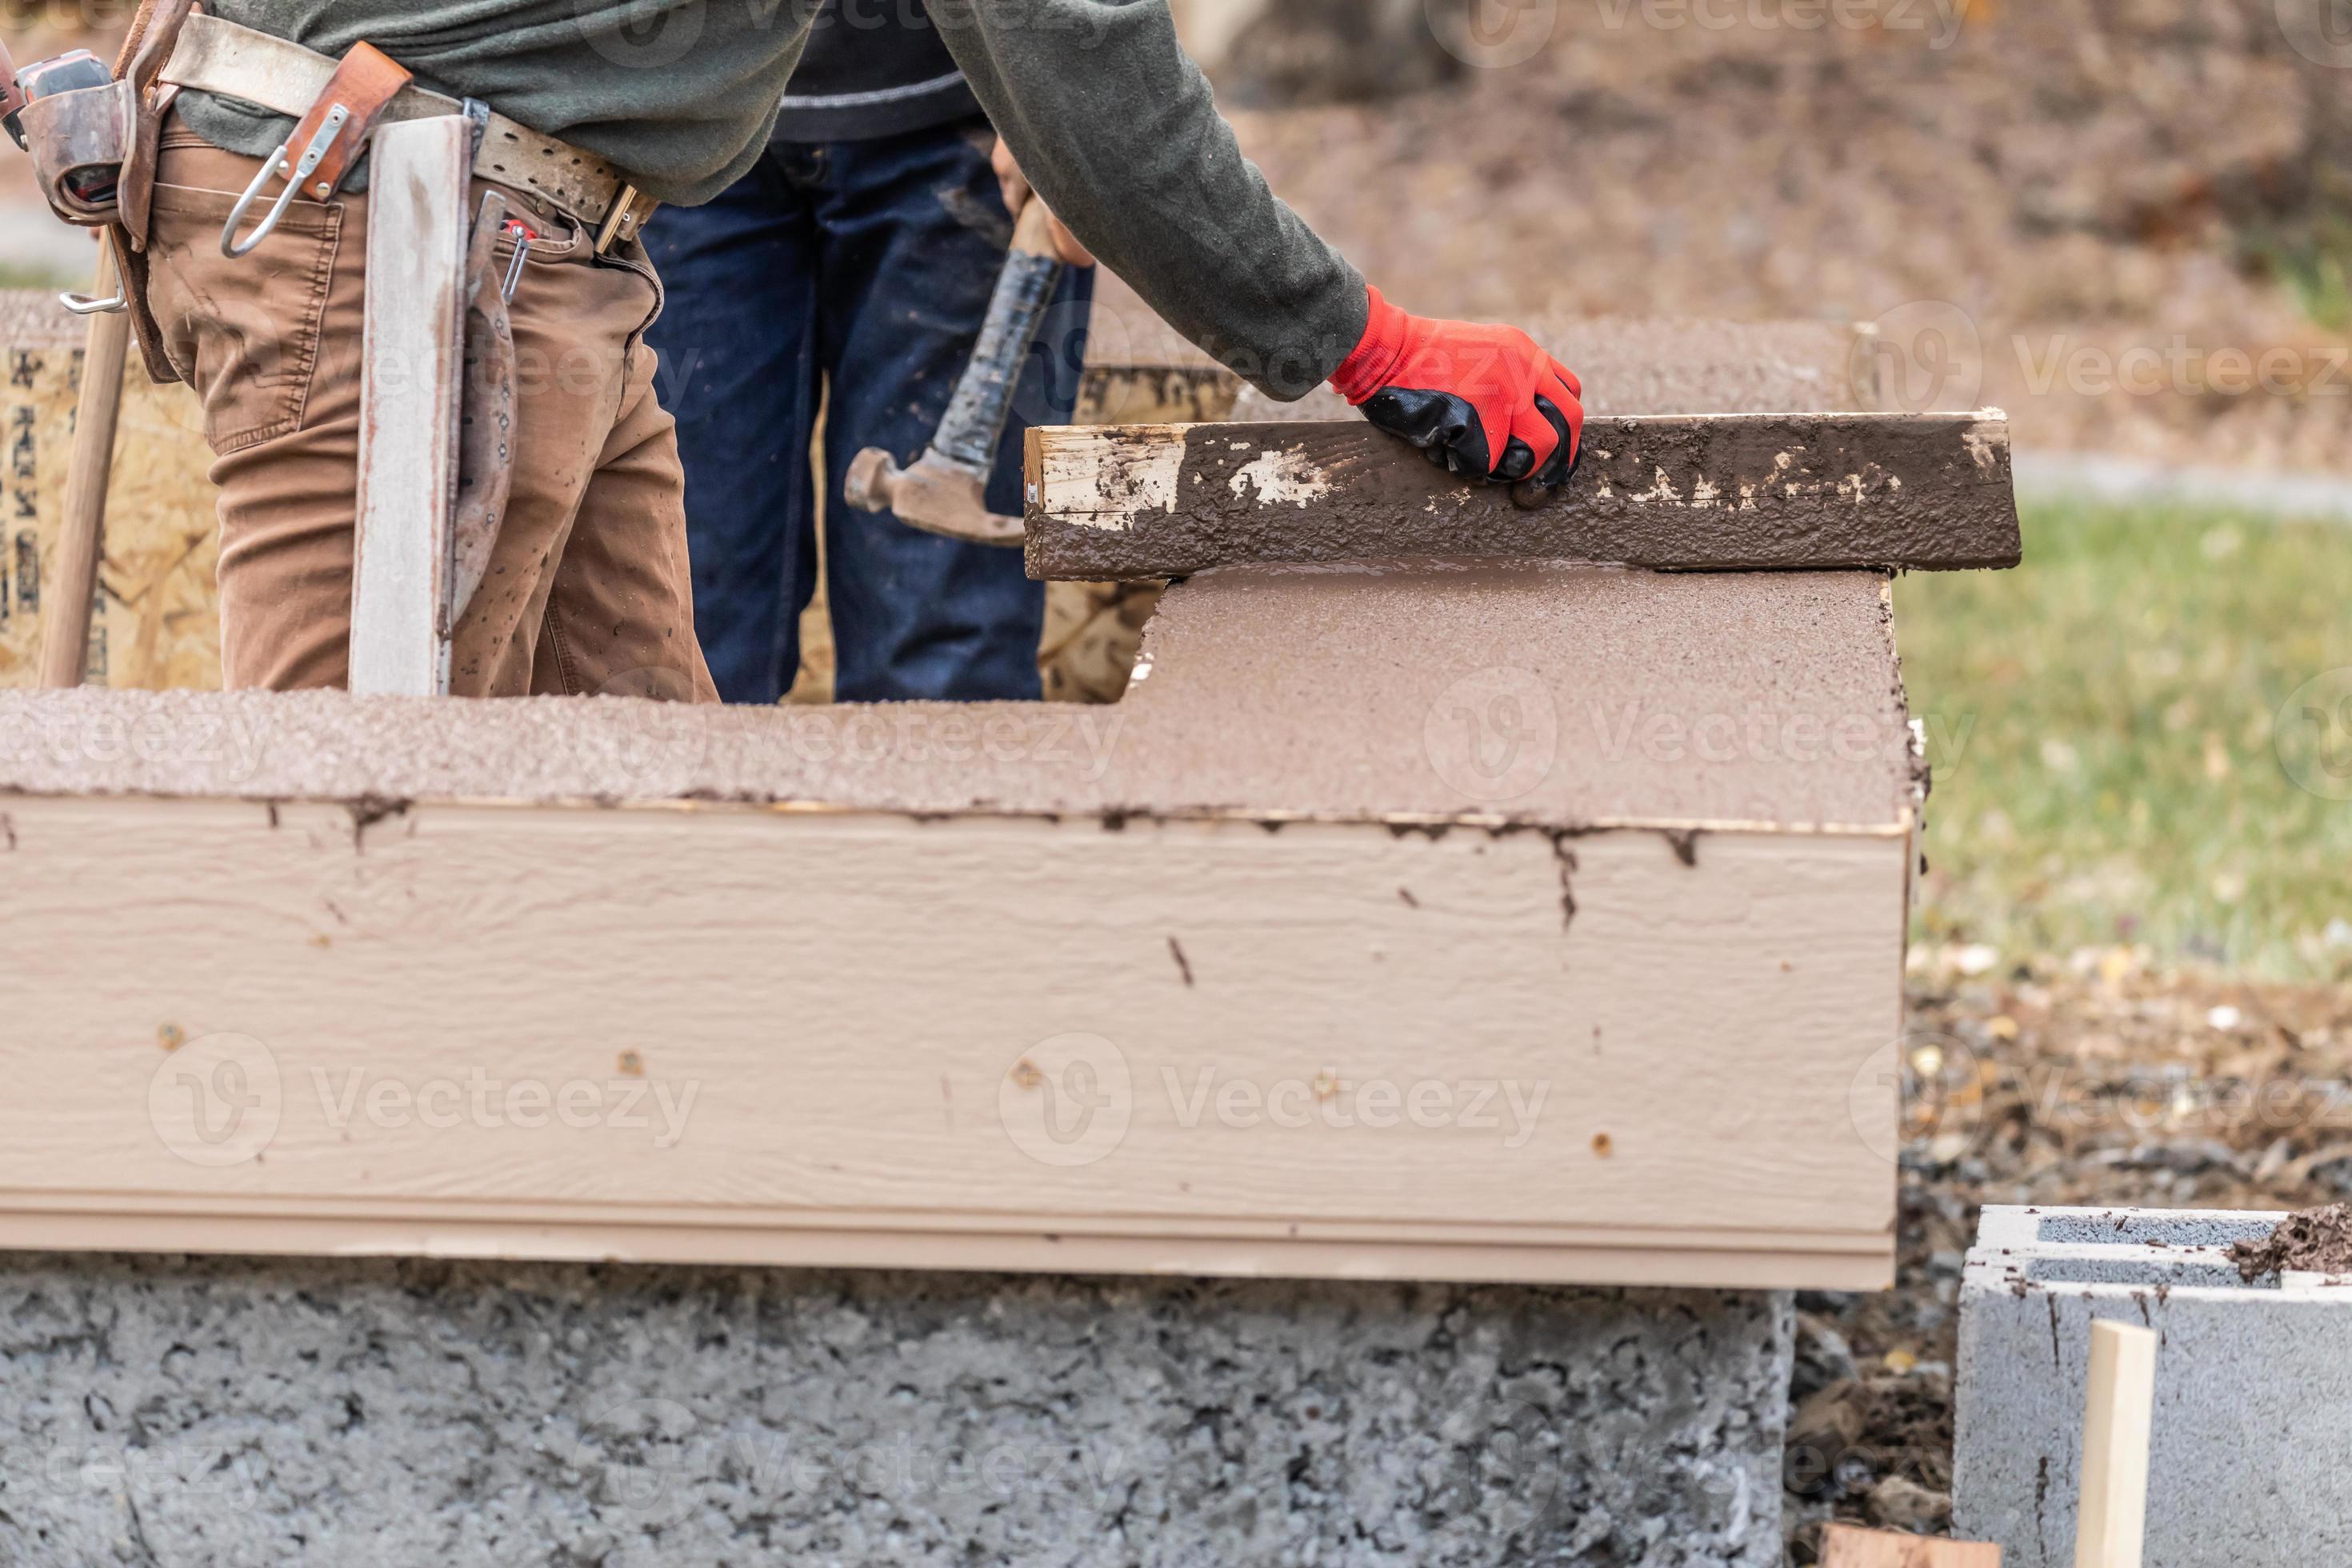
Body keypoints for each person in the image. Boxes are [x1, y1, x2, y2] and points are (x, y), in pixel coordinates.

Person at [128, 0, 1585, 698]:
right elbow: (1068, 34)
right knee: (336, 811)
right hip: (388, 215)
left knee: (630, 782)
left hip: (531, 230)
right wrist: (1359, 337)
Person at [643, 1, 1095, 705]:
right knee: (681, 628)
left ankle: (939, 815)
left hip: (970, 110)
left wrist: (1066, 77)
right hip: (668, 111)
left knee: (942, 655)